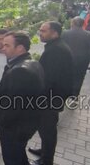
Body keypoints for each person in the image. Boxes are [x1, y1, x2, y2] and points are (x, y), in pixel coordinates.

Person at [0, 32, 44, 165]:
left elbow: (13, 106)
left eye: (7, 45)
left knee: (12, 159)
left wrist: (2, 123)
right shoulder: (33, 62)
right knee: (19, 155)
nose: (3, 48)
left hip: (15, 128)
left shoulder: (19, 70)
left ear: (20, 48)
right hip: (25, 124)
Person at [29, 21, 74, 165]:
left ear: (54, 32)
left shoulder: (57, 50)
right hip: (52, 96)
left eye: (43, 31)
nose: (40, 33)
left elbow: (49, 79)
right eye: (40, 30)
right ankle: (44, 150)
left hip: (50, 98)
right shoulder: (54, 46)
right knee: (44, 128)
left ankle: (47, 160)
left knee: (47, 130)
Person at [61, 17, 90, 102]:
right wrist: (88, 58)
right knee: (79, 78)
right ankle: (75, 96)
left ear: (72, 23)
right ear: (83, 24)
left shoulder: (65, 33)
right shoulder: (88, 34)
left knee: (66, 77)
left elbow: (60, 46)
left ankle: (65, 94)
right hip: (82, 61)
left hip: (67, 60)